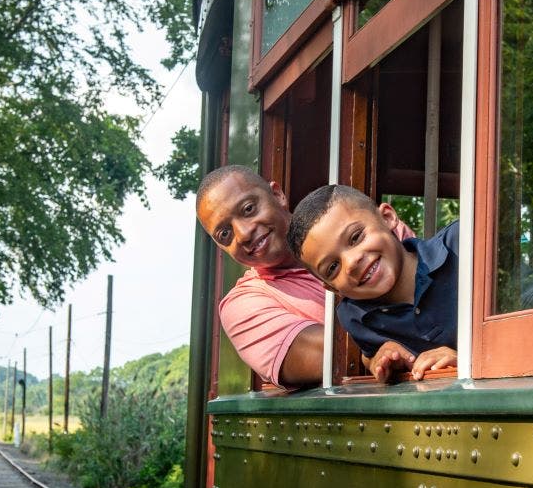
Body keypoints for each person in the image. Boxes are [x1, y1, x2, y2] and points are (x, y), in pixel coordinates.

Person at [195, 165, 412, 388]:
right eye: (225, 234)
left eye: (249, 209)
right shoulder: (242, 305)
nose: (243, 233)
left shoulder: (364, 226)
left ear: (277, 195)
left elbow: (435, 285)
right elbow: (333, 354)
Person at [287, 184, 458, 383]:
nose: (351, 263)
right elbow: (370, 353)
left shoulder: (461, 244)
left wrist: (467, 361)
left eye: (356, 237)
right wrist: (378, 358)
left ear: (388, 218)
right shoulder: (356, 318)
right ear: (332, 287)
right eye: (333, 267)